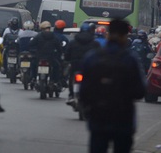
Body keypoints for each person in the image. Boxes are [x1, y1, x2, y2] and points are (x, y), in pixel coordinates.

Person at [79, 18, 146, 153]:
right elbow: (140, 91)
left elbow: (83, 91)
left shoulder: (92, 57)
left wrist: (90, 108)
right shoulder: (130, 59)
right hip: (123, 120)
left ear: (108, 34)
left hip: (98, 118)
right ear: (124, 36)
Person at [64, 22, 100, 103]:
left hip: (75, 65)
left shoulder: (73, 42)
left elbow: (67, 54)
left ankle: (71, 95)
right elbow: (99, 55)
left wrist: (67, 60)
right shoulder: (95, 43)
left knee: (71, 78)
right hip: (89, 66)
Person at [29, 20, 64, 87]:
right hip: (50, 58)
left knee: (33, 64)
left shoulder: (38, 36)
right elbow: (59, 47)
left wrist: (34, 51)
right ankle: (55, 81)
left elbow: (31, 44)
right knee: (57, 66)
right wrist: (59, 53)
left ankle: (33, 78)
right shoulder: (53, 36)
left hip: (39, 57)